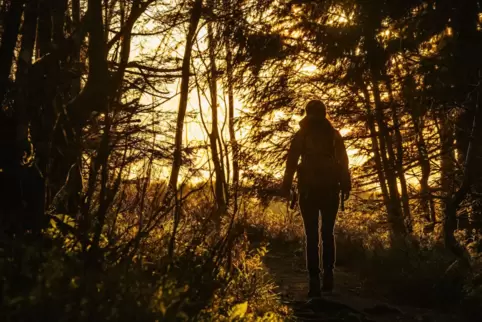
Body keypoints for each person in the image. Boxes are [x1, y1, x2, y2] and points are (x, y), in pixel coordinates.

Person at [280, 100, 351, 298]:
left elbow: (292, 161)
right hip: (330, 190)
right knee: (327, 233)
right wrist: (346, 184)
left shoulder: (302, 134)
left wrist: (286, 186)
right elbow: (343, 161)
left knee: (311, 235)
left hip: (308, 191)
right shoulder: (333, 134)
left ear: (307, 112)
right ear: (324, 112)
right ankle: (329, 275)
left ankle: (314, 280)